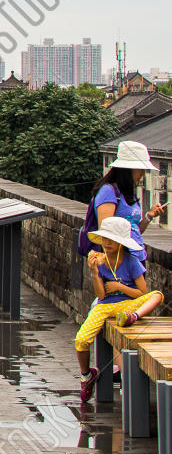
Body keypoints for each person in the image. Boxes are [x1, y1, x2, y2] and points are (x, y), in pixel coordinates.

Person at [74, 216, 164, 402]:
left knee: (156, 295)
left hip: (128, 304)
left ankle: (134, 316)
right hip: (106, 306)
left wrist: (120, 287)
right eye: (104, 240)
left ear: (121, 243)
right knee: (81, 340)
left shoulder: (131, 261)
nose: (107, 244)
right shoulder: (100, 261)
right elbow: (101, 295)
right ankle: (86, 375)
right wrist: (94, 273)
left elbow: (142, 292)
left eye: (111, 240)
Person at [87, 140, 166, 252]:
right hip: (119, 262)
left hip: (136, 258)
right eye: (140, 170)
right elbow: (105, 235)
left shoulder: (128, 193)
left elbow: (134, 231)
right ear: (128, 170)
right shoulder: (108, 192)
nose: (142, 175)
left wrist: (149, 216)